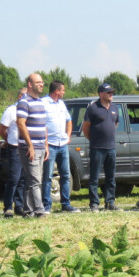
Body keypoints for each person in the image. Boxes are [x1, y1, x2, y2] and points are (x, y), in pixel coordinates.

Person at [82, 83, 122, 212]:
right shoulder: (93, 108)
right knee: (94, 177)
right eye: (108, 92)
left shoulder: (115, 107)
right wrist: (93, 140)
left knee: (111, 177)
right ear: (101, 94)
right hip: (97, 148)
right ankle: (94, 203)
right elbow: (86, 127)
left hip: (111, 148)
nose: (111, 94)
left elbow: (115, 124)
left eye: (112, 92)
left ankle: (110, 202)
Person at [42, 80, 78, 213]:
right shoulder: (44, 103)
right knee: (48, 176)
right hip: (50, 144)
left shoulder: (61, 104)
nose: (64, 92)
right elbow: (41, 124)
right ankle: (46, 205)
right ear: (56, 91)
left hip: (62, 144)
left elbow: (68, 120)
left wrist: (68, 136)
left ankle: (66, 204)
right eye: (62, 90)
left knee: (66, 174)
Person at [16, 72, 49, 217]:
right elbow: (21, 124)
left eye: (42, 82)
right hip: (30, 147)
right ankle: (39, 210)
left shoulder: (40, 102)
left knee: (32, 180)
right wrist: (30, 145)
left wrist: (46, 145)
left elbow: (43, 125)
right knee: (36, 180)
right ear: (30, 84)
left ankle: (28, 210)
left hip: (41, 146)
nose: (41, 85)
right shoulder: (24, 102)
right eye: (38, 82)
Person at [0, 88, 25, 217]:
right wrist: (8, 140)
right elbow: (2, 129)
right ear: (20, 96)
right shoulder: (11, 110)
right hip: (15, 147)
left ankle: (19, 206)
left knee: (23, 179)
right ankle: (8, 206)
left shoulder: (28, 109)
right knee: (14, 178)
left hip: (26, 147)